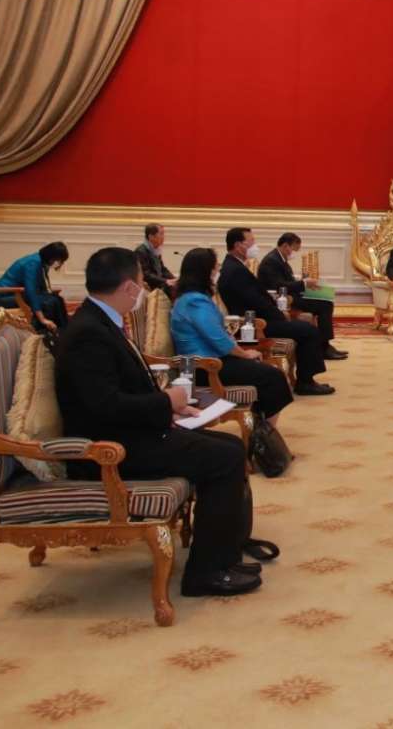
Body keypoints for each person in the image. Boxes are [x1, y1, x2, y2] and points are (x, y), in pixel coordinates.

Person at [54, 247, 272, 597]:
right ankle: (205, 573)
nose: (143, 290)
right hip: (109, 450)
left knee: (230, 446)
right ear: (128, 288)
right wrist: (166, 402)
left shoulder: (99, 321)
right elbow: (103, 406)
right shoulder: (88, 334)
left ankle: (224, 554)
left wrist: (168, 410)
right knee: (225, 457)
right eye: (141, 284)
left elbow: (119, 393)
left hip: (130, 432)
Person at [170, 247, 294, 424]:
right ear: (205, 271)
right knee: (273, 377)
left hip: (215, 360)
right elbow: (217, 338)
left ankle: (261, 427)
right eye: (215, 267)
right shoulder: (194, 302)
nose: (217, 271)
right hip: (205, 367)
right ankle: (267, 434)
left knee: (266, 373)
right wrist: (244, 354)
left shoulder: (192, 298)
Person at [217, 228, 334, 396]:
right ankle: (305, 382)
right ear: (238, 245)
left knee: (305, 327)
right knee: (309, 331)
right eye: (251, 242)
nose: (255, 246)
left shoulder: (235, 266)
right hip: (255, 324)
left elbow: (257, 297)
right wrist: (279, 315)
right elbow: (256, 301)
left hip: (259, 317)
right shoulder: (235, 270)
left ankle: (306, 379)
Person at [257, 232, 347, 359]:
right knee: (325, 305)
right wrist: (304, 283)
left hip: (290, 296)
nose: (294, 253)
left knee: (326, 300)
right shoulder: (271, 261)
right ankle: (324, 347)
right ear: (285, 246)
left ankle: (325, 345)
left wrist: (304, 283)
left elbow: (287, 281)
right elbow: (277, 285)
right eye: (294, 249)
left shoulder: (278, 258)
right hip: (282, 299)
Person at [0, 241, 69, 333]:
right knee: (46, 302)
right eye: (60, 260)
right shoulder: (33, 263)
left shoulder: (41, 262)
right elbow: (31, 292)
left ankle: (64, 331)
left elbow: (41, 288)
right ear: (52, 256)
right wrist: (42, 319)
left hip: (15, 294)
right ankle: (41, 331)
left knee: (57, 299)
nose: (60, 263)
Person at [135, 223, 177, 296]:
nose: (163, 237)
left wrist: (173, 279)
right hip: (150, 287)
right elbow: (146, 275)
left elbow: (162, 269)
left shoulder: (155, 249)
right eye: (161, 234)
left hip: (158, 284)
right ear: (151, 237)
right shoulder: (141, 252)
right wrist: (166, 281)